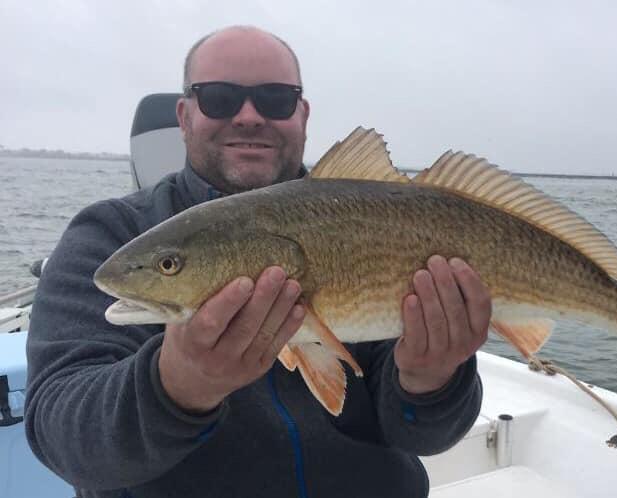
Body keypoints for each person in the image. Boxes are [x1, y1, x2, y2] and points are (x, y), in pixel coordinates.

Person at [25, 25, 489, 498]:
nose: (248, 116)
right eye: (219, 99)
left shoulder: (383, 223)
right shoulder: (110, 236)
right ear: (184, 116)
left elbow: (423, 437)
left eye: (276, 99)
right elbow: (62, 435)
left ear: (303, 115)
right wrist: (178, 386)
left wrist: (429, 380)